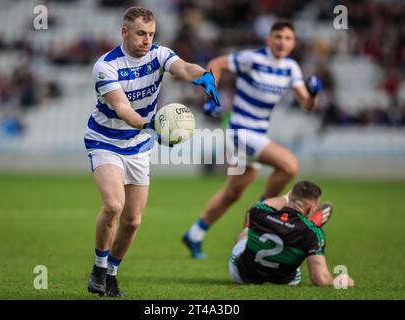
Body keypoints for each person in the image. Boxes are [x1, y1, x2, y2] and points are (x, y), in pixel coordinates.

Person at [85, 6, 220, 297]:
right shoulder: (106, 66)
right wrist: (152, 125)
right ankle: (98, 267)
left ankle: (111, 274)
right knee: (113, 206)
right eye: (141, 34)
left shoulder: (158, 54)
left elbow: (183, 67)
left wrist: (203, 76)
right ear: (124, 32)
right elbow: (123, 109)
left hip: (138, 144)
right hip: (105, 140)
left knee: (133, 221)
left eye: (151, 34)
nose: (147, 40)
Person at [183, 20, 323, 258]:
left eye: (287, 38)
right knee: (289, 165)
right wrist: (211, 95)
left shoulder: (290, 68)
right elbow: (216, 64)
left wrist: (313, 94)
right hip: (240, 131)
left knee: (233, 193)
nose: (282, 42)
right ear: (268, 40)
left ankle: (194, 234)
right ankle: (264, 212)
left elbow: (307, 105)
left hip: (257, 134)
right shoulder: (252, 59)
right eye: (277, 36)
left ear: (293, 43)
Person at [229, 180, 355, 287]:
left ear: (290, 198)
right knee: (307, 240)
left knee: (245, 234)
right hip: (284, 281)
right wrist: (338, 281)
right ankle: (311, 223)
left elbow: (265, 203)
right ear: (310, 208)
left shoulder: (258, 212)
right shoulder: (314, 233)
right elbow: (320, 279)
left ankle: (250, 229)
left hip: (242, 275)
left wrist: (286, 197)